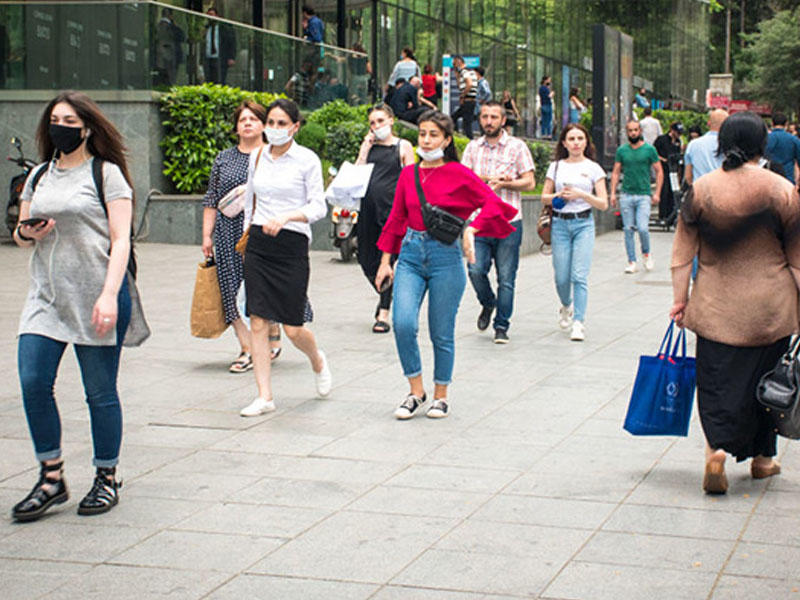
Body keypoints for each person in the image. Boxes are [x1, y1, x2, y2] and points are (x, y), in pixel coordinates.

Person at [11, 91, 150, 521]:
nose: (61, 127)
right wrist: (28, 233)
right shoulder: (39, 176)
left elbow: (121, 239)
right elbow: (19, 233)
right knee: (33, 381)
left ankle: (106, 477)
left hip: (96, 294)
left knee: (99, 392)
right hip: (47, 296)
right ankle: (51, 477)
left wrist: (109, 294)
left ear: (87, 128)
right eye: (55, 120)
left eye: (70, 121)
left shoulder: (106, 174)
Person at [670, 111, 800, 495]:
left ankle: (716, 450)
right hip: (770, 309)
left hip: (716, 307)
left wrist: (680, 301)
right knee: (767, 384)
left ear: (722, 144)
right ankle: (762, 460)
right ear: (763, 144)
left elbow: (681, 256)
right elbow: (797, 261)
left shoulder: (702, 190)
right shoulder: (782, 191)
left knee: (716, 383)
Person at [375, 110, 516, 420]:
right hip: (410, 256)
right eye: (422, 134)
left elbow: (493, 204)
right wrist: (386, 261)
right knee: (403, 323)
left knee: (441, 331)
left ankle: (440, 395)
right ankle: (416, 391)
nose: (426, 140)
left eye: (433, 135)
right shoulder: (408, 174)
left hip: (445, 258)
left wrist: (472, 230)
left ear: (447, 140)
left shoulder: (459, 173)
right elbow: (396, 218)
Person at [239, 99, 331, 417]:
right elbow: (250, 199)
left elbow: (318, 206)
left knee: (293, 327)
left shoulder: (307, 160)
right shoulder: (258, 156)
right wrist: (247, 234)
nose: (274, 129)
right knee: (258, 320)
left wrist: (288, 217)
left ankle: (317, 359)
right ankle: (264, 395)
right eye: (271, 123)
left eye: (282, 123)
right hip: (259, 243)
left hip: (292, 244)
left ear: (295, 127)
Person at [202, 101, 282, 372]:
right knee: (230, 287)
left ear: (264, 125)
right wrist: (207, 236)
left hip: (263, 230)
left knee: (263, 287)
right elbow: (211, 198)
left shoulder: (273, 156)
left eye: (253, 119)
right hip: (228, 233)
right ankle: (247, 348)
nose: (247, 123)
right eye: (242, 120)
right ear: (236, 127)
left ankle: (271, 329)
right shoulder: (223, 159)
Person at [461, 101, 535, 344]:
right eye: (485, 117)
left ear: (503, 120)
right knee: (475, 270)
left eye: (494, 117)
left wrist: (506, 183)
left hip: (508, 222)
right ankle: (487, 302)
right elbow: (464, 180)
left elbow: (530, 183)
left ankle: (501, 325)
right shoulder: (472, 148)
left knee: (506, 277)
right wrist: (487, 179)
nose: (489, 121)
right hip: (478, 222)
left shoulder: (517, 147)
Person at [541, 123, 608, 342]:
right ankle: (566, 305)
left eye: (580, 138)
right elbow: (544, 197)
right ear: (564, 143)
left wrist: (581, 194)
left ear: (586, 142)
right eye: (571, 139)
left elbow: (603, 203)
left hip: (584, 224)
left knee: (579, 275)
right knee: (561, 276)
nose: (576, 143)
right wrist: (558, 195)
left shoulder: (594, 168)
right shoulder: (556, 167)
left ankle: (579, 322)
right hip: (560, 224)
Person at [354, 104, 415, 333]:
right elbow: (357, 174)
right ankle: (390, 293)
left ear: (391, 120)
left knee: (386, 261)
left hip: (392, 211)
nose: (376, 126)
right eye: (372, 123)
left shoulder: (402, 146)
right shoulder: (369, 146)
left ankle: (383, 312)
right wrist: (364, 149)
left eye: (380, 121)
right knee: (365, 259)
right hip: (367, 210)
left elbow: (411, 179)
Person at [610, 120, 663, 273]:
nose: (633, 133)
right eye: (630, 130)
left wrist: (657, 193)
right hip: (626, 194)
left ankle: (646, 253)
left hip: (644, 194)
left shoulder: (649, 150)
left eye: (635, 130)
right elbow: (616, 172)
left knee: (643, 228)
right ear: (627, 132)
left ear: (640, 131)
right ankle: (631, 261)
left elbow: (659, 171)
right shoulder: (622, 151)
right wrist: (612, 193)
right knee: (628, 229)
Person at [684, 109, 728, 186]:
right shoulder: (731, 145)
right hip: (724, 189)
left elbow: (688, 176)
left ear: (708, 123)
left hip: (700, 189)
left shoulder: (692, 144)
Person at [653, 122, 684, 221]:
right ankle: (663, 215)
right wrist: (662, 159)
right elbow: (653, 152)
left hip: (673, 169)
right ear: (672, 130)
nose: (679, 135)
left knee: (672, 192)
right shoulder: (661, 140)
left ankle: (671, 214)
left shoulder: (678, 142)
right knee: (664, 191)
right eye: (677, 132)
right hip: (663, 168)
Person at [203, 6, 236, 85]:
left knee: (220, 78)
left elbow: (231, 42)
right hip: (208, 57)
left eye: (212, 15)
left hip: (220, 57)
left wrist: (231, 57)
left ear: (217, 16)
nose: (210, 17)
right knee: (209, 79)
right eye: (208, 15)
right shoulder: (206, 28)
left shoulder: (223, 29)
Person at [765, 113, 800, 185]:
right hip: (788, 179)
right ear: (786, 124)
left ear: (772, 123)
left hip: (769, 178)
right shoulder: (794, 139)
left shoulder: (765, 139)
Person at [154, 8, 185, 86]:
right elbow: (182, 37)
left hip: (160, 55)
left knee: (163, 77)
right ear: (170, 16)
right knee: (171, 78)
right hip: (171, 55)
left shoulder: (157, 26)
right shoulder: (171, 27)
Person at [450, 55, 478, 139]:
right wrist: (457, 75)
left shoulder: (465, 72)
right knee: (455, 118)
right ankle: (458, 135)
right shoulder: (469, 72)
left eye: (454, 64)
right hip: (469, 101)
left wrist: (462, 96)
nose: (454, 66)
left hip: (468, 101)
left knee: (466, 124)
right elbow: (460, 87)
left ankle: (469, 140)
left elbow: (469, 84)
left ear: (459, 62)